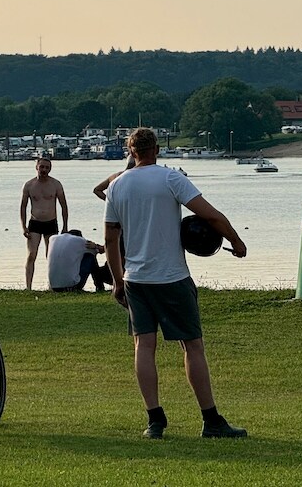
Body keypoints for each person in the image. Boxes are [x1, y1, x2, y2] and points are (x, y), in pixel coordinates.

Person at [104, 128, 248, 439]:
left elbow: (110, 238)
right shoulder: (170, 179)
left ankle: (155, 419)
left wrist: (117, 280)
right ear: (155, 148)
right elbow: (211, 215)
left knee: (144, 346)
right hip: (172, 277)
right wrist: (235, 241)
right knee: (192, 346)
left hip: (135, 279)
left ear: (131, 152)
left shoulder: (117, 186)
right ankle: (210, 420)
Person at [20, 156, 69, 290]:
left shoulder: (56, 184)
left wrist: (65, 226)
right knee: (31, 255)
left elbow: (63, 205)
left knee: (51, 256)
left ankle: (52, 285)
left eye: (47, 167)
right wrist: (23, 226)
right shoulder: (29, 185)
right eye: (42, 167)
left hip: (51, 223)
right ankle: (28, 287)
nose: (44, 170)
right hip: (35, 223)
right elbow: (23, 207)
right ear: (37, 167)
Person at [47, 230, 112, 292]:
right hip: (72, 287)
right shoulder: (80, 241)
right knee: (90, 256)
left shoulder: (53, 238)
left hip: (54, 287)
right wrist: (95, 246)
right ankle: (99, 286)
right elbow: (97, 251)